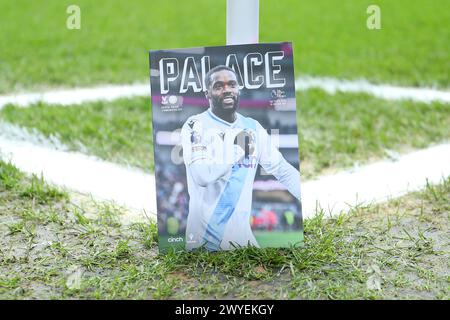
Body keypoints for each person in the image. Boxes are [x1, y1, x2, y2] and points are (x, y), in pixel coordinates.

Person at [180, 65, 301, 251]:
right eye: (219, 86)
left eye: (232, 85)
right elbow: (202, 176)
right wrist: (237, 150)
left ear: (238, 89)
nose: (227, 90)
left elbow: (283, 170)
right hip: (206, 239)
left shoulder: (252, 127)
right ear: (207, 94)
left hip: (242, 239)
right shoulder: (195, 125)